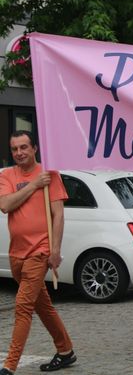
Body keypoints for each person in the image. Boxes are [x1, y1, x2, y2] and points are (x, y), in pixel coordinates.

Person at [0, 131, 76, 375]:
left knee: (23, 306)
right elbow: (5, 205)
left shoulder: (50, 174)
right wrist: (33, 185)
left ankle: (9, 366)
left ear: (34, 148)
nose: (19, 153)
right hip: (16, 254)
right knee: (42, 306)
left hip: (39, 251)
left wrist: (55, 250)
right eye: (15, 149)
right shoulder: (7, 175)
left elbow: (58, 215)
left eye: (24, 147)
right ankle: (65, 351)